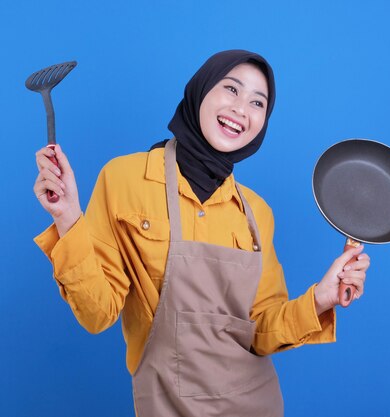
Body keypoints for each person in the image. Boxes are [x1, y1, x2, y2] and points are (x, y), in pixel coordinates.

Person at [33, 49, 370, 416]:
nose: (242, 109)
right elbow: (97, 314)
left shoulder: (257, 213)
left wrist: (320, 298)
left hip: (256, 402)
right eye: (231, 89)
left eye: (258, 102)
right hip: (165, 403)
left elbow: (260, 332)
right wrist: (67, 217)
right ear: (200, 91)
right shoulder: (124, 180)